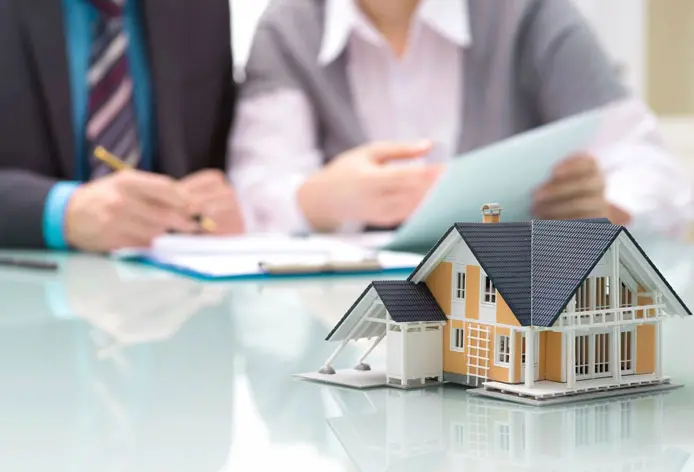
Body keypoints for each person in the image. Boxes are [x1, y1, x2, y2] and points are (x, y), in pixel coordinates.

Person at [229, 0, 692, 237]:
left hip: (518, 315)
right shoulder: (286, 29)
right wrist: (318, 200)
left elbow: (649, 166)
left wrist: (605, 209)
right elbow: (254, 189)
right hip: (345, 322)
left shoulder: (530, 13)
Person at [0, 0, 244, 252]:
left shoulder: (203, 9)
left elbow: (217, 162)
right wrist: (63, 211)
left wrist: (217, 205)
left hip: (161, 280)